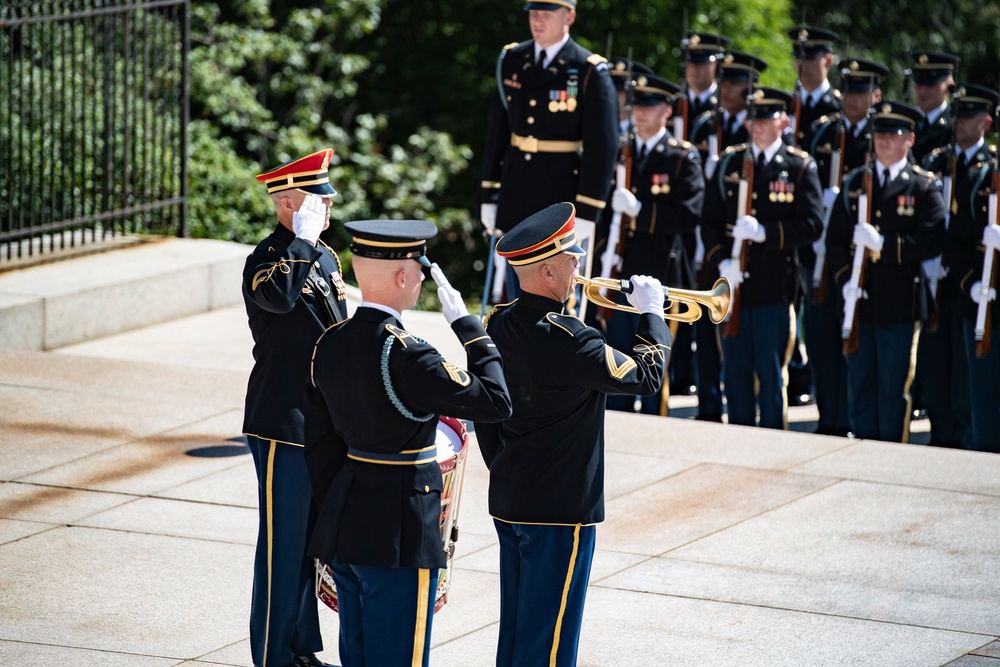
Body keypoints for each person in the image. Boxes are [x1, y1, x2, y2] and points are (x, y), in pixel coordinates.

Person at [303, 220, 512, 667]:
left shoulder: (330, 343)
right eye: (419, 270)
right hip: (401, 532)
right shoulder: (410, 353)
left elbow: (319, 448)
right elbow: (496, 401)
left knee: (356, 655)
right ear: (402, 276)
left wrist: (336, 512)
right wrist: (472, 331)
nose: (420, 279)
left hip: (346, 523)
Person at [475, 202, 670, 667]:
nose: (579, 264)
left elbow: (485, 412)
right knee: (550, 643)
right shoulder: (572, 338)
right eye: (571, 259)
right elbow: (646, 377)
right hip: (561, 511)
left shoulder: (495, 325)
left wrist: (504, 466)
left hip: (511, 498)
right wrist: (653, 314)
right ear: (546, 272)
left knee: (519, 632)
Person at [243, 148, 348, 667]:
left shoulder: (325, 257)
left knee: (308, 547)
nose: (327, 208)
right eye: (315, 200)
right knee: (281, 551)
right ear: (288, 203)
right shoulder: (266, 258)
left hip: (320, 422)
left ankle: (298, 649)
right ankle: (271, 655)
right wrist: (302, 240)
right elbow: (279, 299)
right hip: (281, 422)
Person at [478, 0, 617, 302]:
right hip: (517, 189)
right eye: (534, 14)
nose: (537, 21)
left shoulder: (588, 69)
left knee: (557, 292)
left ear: (569, 16)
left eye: (546, 14)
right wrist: (489, 193)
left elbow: (602, 146)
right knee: (514, 292)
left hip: (560, 194)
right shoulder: (513, 58)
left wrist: (588, 210)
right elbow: (497, 132)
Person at [701, 87, 824, 429]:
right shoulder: (729, 161)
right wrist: (722, 261)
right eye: (753, 116)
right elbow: (708, 222)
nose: (757, 124)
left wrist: (766, 233)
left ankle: (772, 445)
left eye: (766, 117)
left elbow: (812, 225)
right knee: (736, 374)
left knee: (771, 375)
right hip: (734, 287)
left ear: (783, 121)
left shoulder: (799, 167)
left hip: (775, 286)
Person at [826, 101, 946, 443]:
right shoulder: (855, 182)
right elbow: (835, 241)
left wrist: (885, 244)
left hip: (899, 303)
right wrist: (846, 279)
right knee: (860, 383)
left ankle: (891, 456)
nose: (884, 141)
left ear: (909, 139)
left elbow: (934, 238)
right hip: (860, 302)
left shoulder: (922, 186)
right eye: (879, 134)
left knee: (893, 387)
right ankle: (862, 451)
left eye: (893, 135)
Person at [602, 73, 705, 414]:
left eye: (650, 106)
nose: (640, 113)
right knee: (616, 355)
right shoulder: (622, 149)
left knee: (652, 355)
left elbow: (689, 215)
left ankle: (651, 423)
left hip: (662, 269)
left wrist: (641, 212)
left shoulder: (680, 157)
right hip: (621, 269)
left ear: (666, 111)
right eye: (637, 106)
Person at [804, 58, 889, 437]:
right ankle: (829, 416)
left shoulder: (882, 135)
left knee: (854, 342)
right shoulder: (824, 134)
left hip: (869, 256)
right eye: (848, 90)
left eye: (860, 91)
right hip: (827, 252)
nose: (852, 99)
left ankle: (854, 419)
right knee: (822, 338)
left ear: (875, 95)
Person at [692, 50, 768, 423]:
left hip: (752, 254)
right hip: (714, 245)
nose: (724, 89)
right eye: (721, 81)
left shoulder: (755, 129)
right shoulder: (708, 124)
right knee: (707, 325)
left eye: (733, 83)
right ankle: (709, 404)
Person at [926, 83, 999, 451]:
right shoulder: (940, 162)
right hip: (943, 280)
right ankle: (944, 432)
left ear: (986, 121)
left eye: (969, 116)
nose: (960, 123)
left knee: (971, 371)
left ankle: (970, 436)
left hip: (975, 285)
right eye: (958, 114)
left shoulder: (987, 169)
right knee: (938, 363)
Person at [673, 31, 730, 397]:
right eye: (690, 63)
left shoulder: (721, 114)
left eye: (703, 62)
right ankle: (679, 375)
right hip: (679, 216)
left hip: (712, 218)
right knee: (677, 295)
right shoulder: (675, 105)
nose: (695, 70)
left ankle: (711, 384)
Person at [910, 51, 960, 164]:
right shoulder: (907, 121)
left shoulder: (955, 125)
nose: (922, 91)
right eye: (919, 84)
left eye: (930, 85)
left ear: (949, 86)